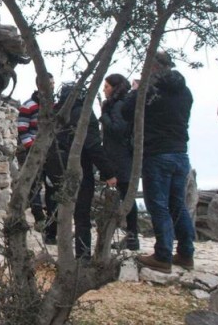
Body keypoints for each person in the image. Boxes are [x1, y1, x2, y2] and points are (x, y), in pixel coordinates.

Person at [123, 51, 195, 273]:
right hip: (181, 153)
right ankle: (185, 253)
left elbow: (126, 112)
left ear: (153, 67)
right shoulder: (185, 92)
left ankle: (163, 256)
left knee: (158, 205)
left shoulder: (149, 89)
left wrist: (135, 91)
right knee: (178, 204)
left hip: (157, 153)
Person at [44, 82, 117, 258]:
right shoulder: (84, 114)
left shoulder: (55, 113)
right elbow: (92, 146)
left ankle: (60, 248)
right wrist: (108, 172)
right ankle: (83, 256)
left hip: (56, 168)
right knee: (82, 214)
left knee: (60, 208)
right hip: (80, 170)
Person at [100, 74, 139, 251]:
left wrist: (103, 116)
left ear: (115, 88)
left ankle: (132, 237)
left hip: (120, 158)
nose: (104, 90)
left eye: (107, 86)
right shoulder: (119, 105)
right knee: (124, 196)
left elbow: (118, 129)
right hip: (119, 157)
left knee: (125, 197)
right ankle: (130, 237)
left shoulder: (118, 106)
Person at [16, 73, 54, 232]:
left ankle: (53, 219)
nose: (52, 86)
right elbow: (22, 130)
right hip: (34, 151)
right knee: (34, 185)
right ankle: (38, 217)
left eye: (53, 83)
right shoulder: (28, 105)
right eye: (49, 83)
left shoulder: (54, 105)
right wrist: (33, 148)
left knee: (52, 185)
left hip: (51, 151)